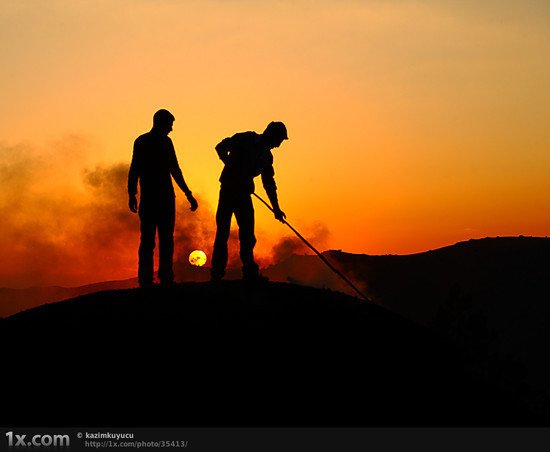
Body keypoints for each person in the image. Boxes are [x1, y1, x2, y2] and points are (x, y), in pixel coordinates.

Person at [128, 109, 198, 288]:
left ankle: (147, 279)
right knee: (163, 239)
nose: (171, 129)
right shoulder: (163, 142)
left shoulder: (142, 141)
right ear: (161, 123)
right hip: (162, 198)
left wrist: (132, 194)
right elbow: (175, 169)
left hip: (151, 198)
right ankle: (163, 278)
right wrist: (188, 194)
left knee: (149, 240)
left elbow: (134, 169)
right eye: (170, 125)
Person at [211, 121, 288, 282]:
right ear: (272, 135)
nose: (279, 145)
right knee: (223, 232)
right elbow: (220, 147)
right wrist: (231, 165)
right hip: (228, 190)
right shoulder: (245, 138)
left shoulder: (267, 157)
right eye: (279, 140)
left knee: (247, 234)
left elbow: (269, 183)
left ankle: (249, 272)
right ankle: (217, 274)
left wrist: (276, 208)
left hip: (244, 194)